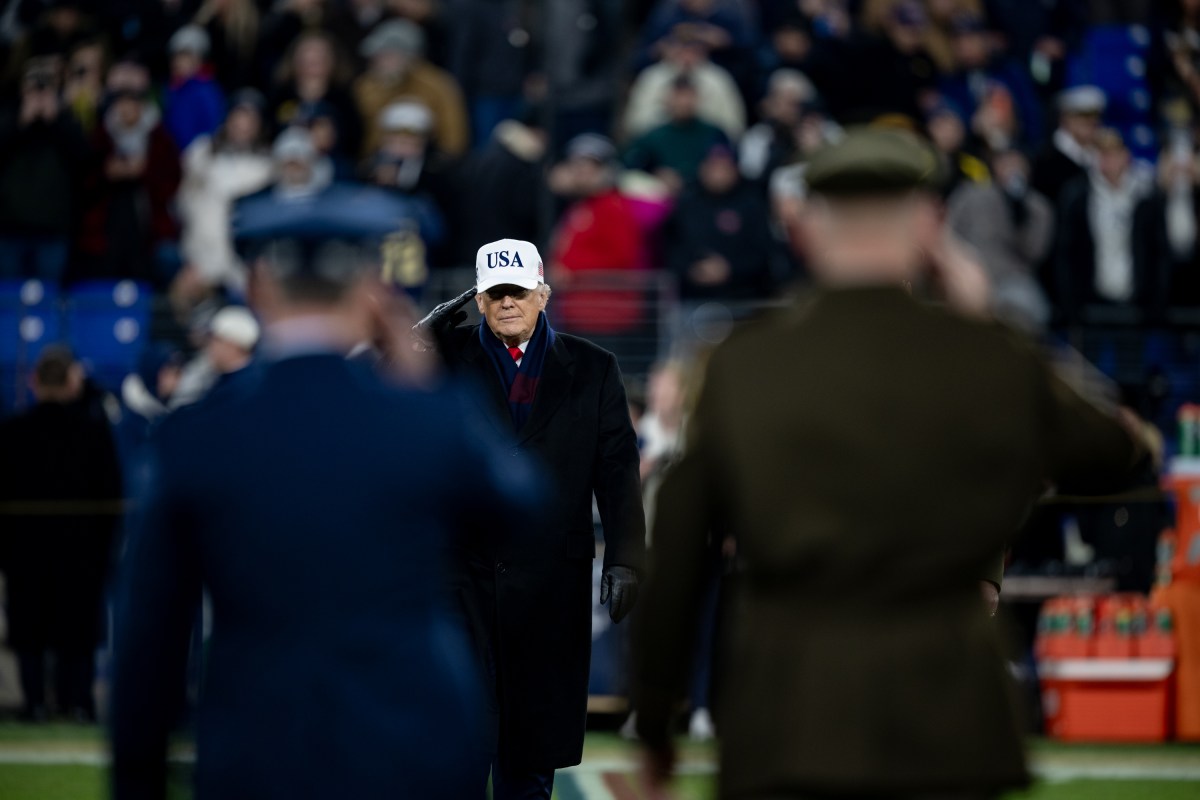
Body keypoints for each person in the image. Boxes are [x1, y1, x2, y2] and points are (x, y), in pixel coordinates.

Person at [632, 127, 1148, 800]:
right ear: (931, 227)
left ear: (805, 228)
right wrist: (987, 324)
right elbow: (1119, 457)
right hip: (950, 719)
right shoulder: (986, 359)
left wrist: (655, 723)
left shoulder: (743, 365)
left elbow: (678, 545)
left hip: (789, 718)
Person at [109, 226, 538, 799]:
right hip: (412, 747)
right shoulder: (427, 422)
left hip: (258, 750)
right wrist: (424, 387)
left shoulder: (198, 435)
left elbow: (148, 641)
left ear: (258, 288)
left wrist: (137, 779)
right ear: (369, 292)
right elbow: (526, 512)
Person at [418, 237, 645, 799]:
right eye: (494, 294)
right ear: (477, 298)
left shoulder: (595, 368)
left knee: (531, 749)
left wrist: (625, 557)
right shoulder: (440, 361)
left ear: (543, 292)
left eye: (518, 290)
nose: (507, 303)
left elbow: (617, 470)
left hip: (550, 580)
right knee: (458, 738)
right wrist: (413, 339)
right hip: (460, 576)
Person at [0, 346, 123, 722]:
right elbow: (112, 496)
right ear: (72, 381)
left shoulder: (12, 432)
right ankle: (80, 703)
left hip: (26, 554)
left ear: (34, 382)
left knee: (31, 633)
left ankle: (35, 703)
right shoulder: (93, 432)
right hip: (81, 552)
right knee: (78, 632)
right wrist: (104, 551)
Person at [353, 18, 469, 157]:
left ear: (410, 57)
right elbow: (364, 136)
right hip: (376, 165)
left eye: (388, 56)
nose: (381, 63)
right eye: (378, 57)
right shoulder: (366, 86)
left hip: (429, 164)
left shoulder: (439, 86)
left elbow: (453, 140)